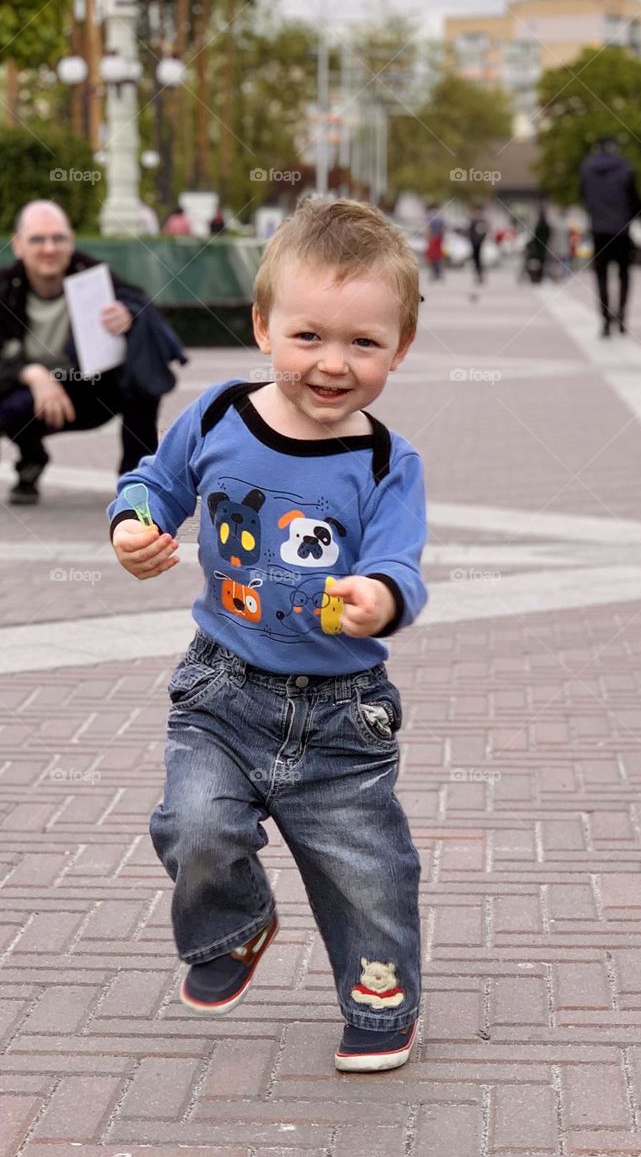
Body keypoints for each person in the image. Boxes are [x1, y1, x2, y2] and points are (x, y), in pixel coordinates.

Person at [109, 198, 427, 1074]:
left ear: (399, 348)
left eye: (364, 344)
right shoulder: (215, 416)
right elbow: (152, 484)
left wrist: (380, 595)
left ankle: (380, 994)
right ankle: (234, 927)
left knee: (366, 870)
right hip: (223, 686)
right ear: (263, 326)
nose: (333, 364)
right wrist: (133, 527)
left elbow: (403, 564)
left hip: (342, 714)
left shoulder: (384, 463)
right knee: (193, 825)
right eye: (309, 336)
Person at [0, 200, 186, 505]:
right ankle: (31, 459)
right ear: (17, 245)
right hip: (36, 397)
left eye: (58, 238)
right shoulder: (0, 293)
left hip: (94, 390)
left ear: (71, 241)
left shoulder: (93, 276)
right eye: (37, 239)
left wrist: (128, 316)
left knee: (142, 381)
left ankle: (136, 482)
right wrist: (31, 374)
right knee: (8, 409)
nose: (49, 248)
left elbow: (143, 309)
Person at [579, 136, 641, 337]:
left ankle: (605, 321)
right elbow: (635, 199)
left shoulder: (587, 169)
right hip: (621, 231)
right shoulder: (625, 168)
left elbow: (583, 196)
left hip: (599, 231)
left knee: (601, 277)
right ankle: (621, 317)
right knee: (624, 276)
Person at [466, 204, 488, 297]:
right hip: (475, 242)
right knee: (476, 259)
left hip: (477, 242)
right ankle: (479, 275)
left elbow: (482, 232)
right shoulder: (477, 220)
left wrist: (479, 240)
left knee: (477, 259)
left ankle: (479, 275)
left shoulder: (478, 220)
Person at [425, 204, 445, 280]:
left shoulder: (430, 217)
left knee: (432, 256)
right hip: (439, 239)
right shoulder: (441, 218)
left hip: (433, 238)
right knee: (438, 256)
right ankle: (439, 273)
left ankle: (433, 273)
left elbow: (428, 229)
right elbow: (444, 229)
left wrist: (427, 237)